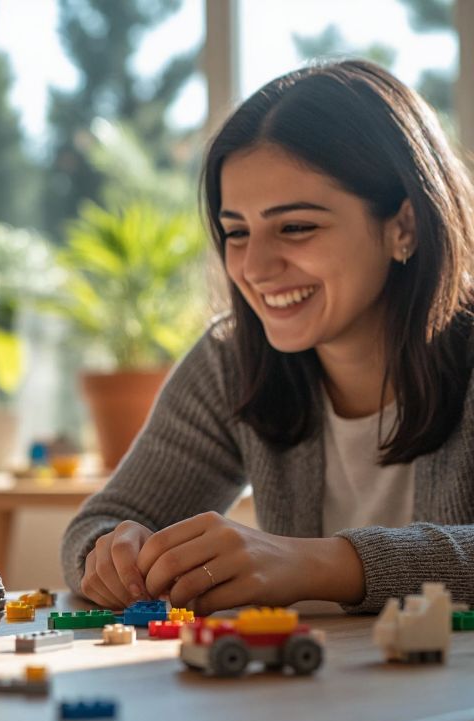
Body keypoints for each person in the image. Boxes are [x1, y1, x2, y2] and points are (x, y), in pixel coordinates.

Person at [63, 59, 474, 615]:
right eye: (236, 232)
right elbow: (98, 525)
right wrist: (115, 554)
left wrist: (315, 564)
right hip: (311, 696)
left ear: (403, 226)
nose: (254, 266)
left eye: (297, 227)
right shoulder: (232, 359)